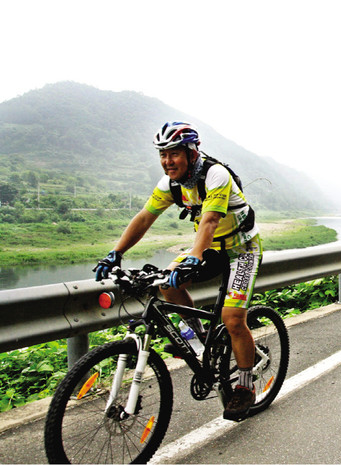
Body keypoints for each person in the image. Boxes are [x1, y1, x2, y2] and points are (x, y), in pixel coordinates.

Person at [94, 121, 262, 421]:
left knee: (233, 318)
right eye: (162, 154)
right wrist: (116, 253)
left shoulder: (215, 174)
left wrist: (195, 255)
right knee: (166, 284)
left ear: (191, 152)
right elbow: (145, 217)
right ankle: (201, 340)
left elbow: (210, 220)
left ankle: (246, 386)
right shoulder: (171, 183)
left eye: (174, 154)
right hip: (209, 248)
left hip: (241, 251)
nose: (167, 161)